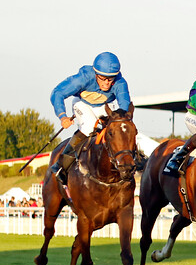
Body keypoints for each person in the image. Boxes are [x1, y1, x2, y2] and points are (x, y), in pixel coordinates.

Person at [49, 52, 135, 184]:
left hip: (104, 106)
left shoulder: (120, 82)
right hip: (82, 104)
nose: (107, 83)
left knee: (118, 129)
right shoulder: (83, 78)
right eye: (103, 78)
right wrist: (62, 116)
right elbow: (57, 93)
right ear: (95, 74)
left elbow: (124, 106)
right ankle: (61, 165)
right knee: (89, 126)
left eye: (110, 79)